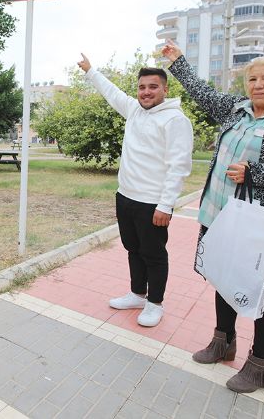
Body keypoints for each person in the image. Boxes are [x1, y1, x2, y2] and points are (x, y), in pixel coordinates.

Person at [160, 40, 264, 393]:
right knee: (223, 277)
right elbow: (200, 93)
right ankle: (223, 342)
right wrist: (178, 62)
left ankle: (259, 365)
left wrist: (258, 174)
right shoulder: (236, 110)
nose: (258, 85)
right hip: (221, 214)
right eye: (252, 79)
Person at [77, 53, 193, 327]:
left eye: (153, 87)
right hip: (126, 196)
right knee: (133, 249)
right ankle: (138, 293)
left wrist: (166, 205)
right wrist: (91, 70)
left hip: (152, 203)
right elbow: (111, 92)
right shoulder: (134, 110)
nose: (146, 92)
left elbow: (179, 166)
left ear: (165, 89)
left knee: (154, 254)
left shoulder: (175, 120)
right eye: (142, 87)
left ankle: (155, 303)